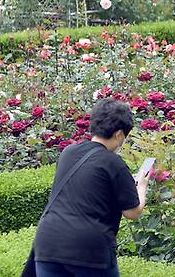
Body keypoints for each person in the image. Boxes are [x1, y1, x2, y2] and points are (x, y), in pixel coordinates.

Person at [33, 98, 148, 277]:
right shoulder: (114, 163)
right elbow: (132, 212)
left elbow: (89, 184)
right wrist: (141, 186)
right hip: (88, 249)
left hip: (48, 244)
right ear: (119, 135)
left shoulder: (68, 153)